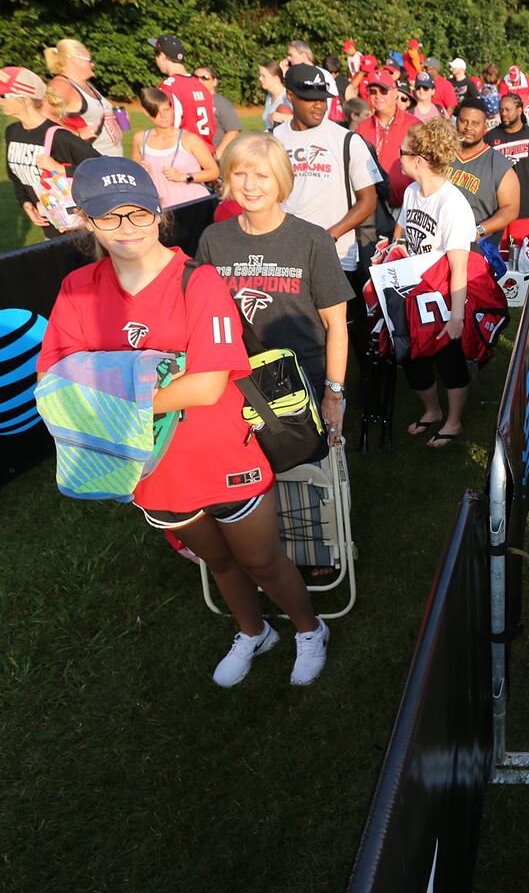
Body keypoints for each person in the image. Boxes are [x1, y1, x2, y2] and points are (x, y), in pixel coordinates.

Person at [37, 156, 330, 687]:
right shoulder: (78, 289)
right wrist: (145, 376)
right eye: (109, 217)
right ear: (86, 221)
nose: (127, 229)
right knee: (216, 562)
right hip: (151, 467)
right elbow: (58, 383)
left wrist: (113, 388)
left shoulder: (200, 281)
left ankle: (310, 628)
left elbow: (207, 385)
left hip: (222, 455)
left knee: (262, 561)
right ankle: (253, 630)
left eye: (138, 214)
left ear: (158, 213)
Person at [196, 132, 351, 418]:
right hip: (236, 384)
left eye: (262, 176)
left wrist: (333, 393)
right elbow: (203, 319)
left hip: (304, 385)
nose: (250, 185)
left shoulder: (313, 240)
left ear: (281, 179)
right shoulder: (213, 239)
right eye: (240, 173)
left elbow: (336, 325)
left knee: (305, 464)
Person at [394, 118, 481, 449]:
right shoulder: (413, 191)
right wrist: (392, 248)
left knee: (449, 360)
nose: (397, 158)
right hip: (413, 291)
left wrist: (456, 317)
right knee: (412, 357)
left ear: (418, 160)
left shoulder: (452, 204)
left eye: (402, 152)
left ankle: (454, 422)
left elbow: (459, 266)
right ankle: (431, 411)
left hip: (443, 295)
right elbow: (404, 233)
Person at [271, 63, 380, 303]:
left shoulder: (347, 140)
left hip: (337, 256)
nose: (319, 105)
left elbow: (368, 200)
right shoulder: (275, 139)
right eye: (310, 99)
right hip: (285, 253)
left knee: (341, 332)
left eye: (323, 98)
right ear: (290, 96)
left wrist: (330, 235)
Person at [0, 66, 101, 239]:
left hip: (79, 231)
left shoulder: (59, 136)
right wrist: (26, 203)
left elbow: (101, 167)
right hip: (49, 229)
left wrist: (60, 168)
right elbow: (16, 178)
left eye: (2, 95)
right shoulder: (12, 132)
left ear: (25, 99)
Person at [131, 87, 219, 214]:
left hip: (194, 206)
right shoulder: (140, 139)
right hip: (161, 210)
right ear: (146, 112)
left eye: (166, 109)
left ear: (172, 108)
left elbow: (214, 171)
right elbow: (134, 176)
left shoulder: (189, 139)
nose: (163, 116)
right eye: (156, 111)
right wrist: (141, 171)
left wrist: (184, 176)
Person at [486, 91, 529, 257]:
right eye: (501, 110)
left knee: (524, 259)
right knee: (497, 259)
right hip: (497, 211)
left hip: (526, 210)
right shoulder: (490, 138)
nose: (503, 113)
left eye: (508, 109)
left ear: (520, 110)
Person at [446, 96, 520, 245]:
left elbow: (511, 209)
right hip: (437, 239)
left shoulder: (499, 165)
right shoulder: (443, 154)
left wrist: (478, 230)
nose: (468, 127)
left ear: (485, 127)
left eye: (475, 123)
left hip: (475, 246)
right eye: (463, 121)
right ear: (456, 121)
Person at [43, 38, 123, 156]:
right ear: (74, 60)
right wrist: (75, 133)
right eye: (89, 60)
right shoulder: (62, 85)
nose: (92, 64)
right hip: (90, 165)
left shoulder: (86, 85)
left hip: (111, 163)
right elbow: (42, 114)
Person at [355, 70, 419, 213]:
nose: (378, 96)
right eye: (373, 91)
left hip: (406, 209)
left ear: (395, 92)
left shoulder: (414, 125)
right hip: (372, 209)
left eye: (383, 91)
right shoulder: (362, 127)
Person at [148, 34, 215, 148]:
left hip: (184, 154)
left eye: (156, 54)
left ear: (163, 56)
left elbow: (167, 127)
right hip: (207, 154)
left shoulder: (168, 87)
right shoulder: (201, 85)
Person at [192, 66, 243, 155]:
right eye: (195, 77)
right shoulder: (189, 101)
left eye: (205, 78)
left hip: (214, 156)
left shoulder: (221, 103)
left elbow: (233, 131)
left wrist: (216, 155)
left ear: (214, 82)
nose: (199, 81)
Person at [259, 61, 292, 128]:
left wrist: (283, 117)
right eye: (260, 75)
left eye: (263, 76)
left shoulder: (287, 96)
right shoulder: (269, 97)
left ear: (276, 79)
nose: (260, 79)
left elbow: (301, 119)